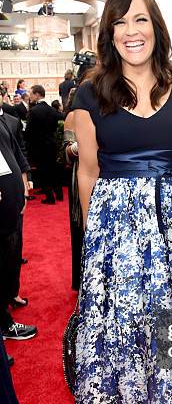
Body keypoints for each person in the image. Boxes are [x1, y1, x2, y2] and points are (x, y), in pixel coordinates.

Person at [73, 0, 172, 404]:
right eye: (120, 22)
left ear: (157, 28)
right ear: (109, 33)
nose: (132, 31)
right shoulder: (90, 94)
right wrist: (92, 249)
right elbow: (88, 173)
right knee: (122, 336)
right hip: (116, 235)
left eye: (141, 20)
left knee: (171, 331)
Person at [0, 94, 37, 341]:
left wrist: (23, 189)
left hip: (11, 203)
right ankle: (4, 324)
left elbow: (16, 154)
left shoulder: (4, 121)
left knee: (10, 255)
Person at [25, 85, 63, 204]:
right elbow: (55, 126)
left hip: (39, 146)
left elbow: (29, 132)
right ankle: (59, 194)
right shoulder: (52, 110)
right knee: (53, 169)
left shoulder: (33, 111)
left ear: (37, 94)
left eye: (31, 94)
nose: (29, 96)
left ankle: (49, 198)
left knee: (43, 171)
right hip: (51, 144)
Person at [63, 87, 83, 292]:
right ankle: (83, 280)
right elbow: (66, 152)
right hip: (81, 177)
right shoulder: (72, 116)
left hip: (110, 175)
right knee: (82, 230)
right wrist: (78, 146)